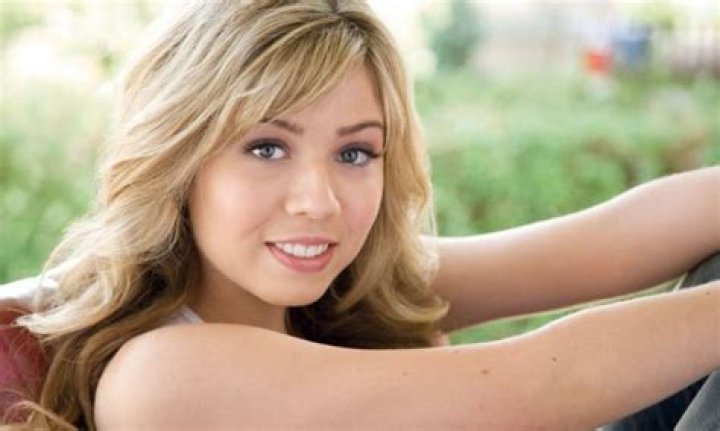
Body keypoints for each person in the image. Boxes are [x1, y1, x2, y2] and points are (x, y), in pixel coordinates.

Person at [0, 1, 718, 429]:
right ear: (178, 160)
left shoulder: (339, 289)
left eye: (355, 153)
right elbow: (549, 383)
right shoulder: (163, 376)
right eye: (267, 148)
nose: (318, 201)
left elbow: (608, 241)